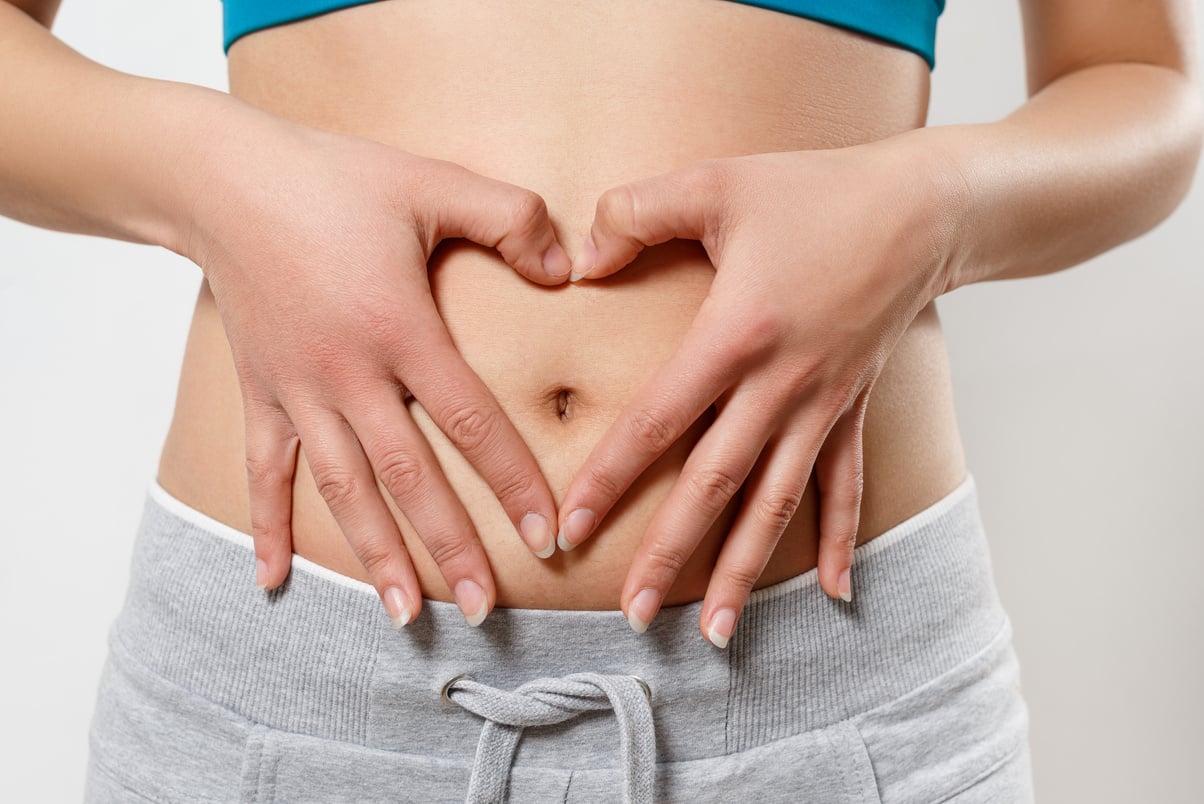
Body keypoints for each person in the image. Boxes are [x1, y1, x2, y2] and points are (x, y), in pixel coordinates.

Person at [2, 0, 1200, 801]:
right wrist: (215, 177)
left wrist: (932, 208)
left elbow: (1140, 86)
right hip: (293, 697)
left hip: (827, 692)